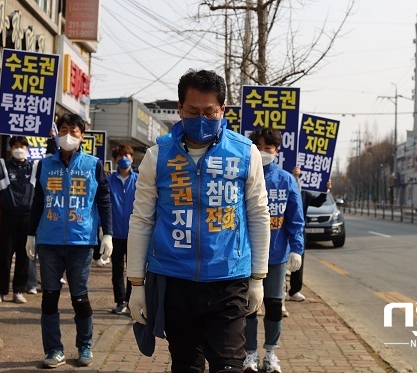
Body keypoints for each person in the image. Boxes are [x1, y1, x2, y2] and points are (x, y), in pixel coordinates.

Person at [127, 69, 270, 373]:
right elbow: (141, 220)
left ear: (223, 109)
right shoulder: (157, 156)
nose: (201, 118)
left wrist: (258, 277)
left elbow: (258, 214)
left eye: (209, 111)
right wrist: (136, 284)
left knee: (229, 366)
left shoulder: (246, 153)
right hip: (175, 281)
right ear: (180, 109)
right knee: (186, 366)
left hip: (229, 280)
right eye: (192, 111)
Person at [26, 113, 113, 368]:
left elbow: (104, 201)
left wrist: (106, 233)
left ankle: (85, 346)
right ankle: (54, 350)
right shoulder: (44, 165)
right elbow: (38, 202)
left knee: (80, 298)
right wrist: (31, 234)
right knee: (49, 297)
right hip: (49, 241)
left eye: (74, 131)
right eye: (64, 129)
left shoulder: (93, 165)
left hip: (81, 242)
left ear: (82, 136)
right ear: (57, 132)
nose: (68, 135)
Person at [243, 129, 305, 373]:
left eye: (268, 148)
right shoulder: (246, 178)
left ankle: (270, 353)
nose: (263, 152)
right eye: (259, 147)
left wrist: (296, 249)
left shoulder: (287, 180)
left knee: (273, 304)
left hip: (277, 256)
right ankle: (249, 354)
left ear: (277, 150)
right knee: (249, 305)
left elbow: (295, 219)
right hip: (247, 256)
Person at [0, 123, 52, 303]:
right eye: (16, 147)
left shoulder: (35, 168)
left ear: (27, 149)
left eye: (22, 147)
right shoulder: (3, 166)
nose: (19, 150)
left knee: (24, 256)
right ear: (10, 148)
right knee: (4, 256)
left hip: (29, 218)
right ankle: (0, 292)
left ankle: (18, 291)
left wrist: (52, 139)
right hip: (8, 217)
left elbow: (52, 161)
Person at [287, 166, 331, 302]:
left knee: (298, 260)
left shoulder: (304, 193)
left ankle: (294, 291)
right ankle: (276, 292)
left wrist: (326, 190)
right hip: (280, 229)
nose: (296, 173)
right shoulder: (281, 186)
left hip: (299, 231)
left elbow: (317, 203)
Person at [108, 144, 138, 315]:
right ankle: (120, 301)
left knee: (133, 270)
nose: (123, 158)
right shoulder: (109, 180)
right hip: (115, 233)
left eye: (127, 154)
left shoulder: (140, 180)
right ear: (115, 160)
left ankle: (132, 301)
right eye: (120, 156)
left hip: (134, 233)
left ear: (132, 158)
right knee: (117, 269)